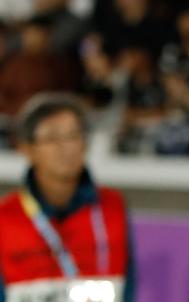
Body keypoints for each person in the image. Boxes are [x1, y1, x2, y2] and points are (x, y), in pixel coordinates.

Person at [0, 93, 134, 302]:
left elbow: (128, 286)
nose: (67, 147)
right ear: (27, 149)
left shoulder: (112, 206)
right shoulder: (5, 216)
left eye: (74, 135)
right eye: (52, 138)